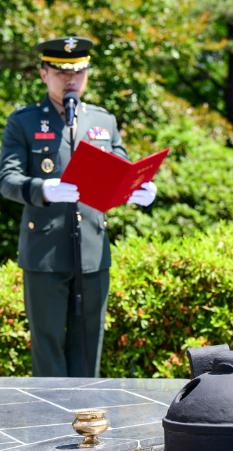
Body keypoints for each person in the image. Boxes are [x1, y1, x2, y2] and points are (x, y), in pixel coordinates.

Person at [0, 36, 157, 377]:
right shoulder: (23, 121)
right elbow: (7, 180)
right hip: (44, 250)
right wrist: (43, 189)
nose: (71, 80)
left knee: (89, 345)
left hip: (91, 248)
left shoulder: (103, 120)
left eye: (79, 72)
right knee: (48, 345)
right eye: (61, 72)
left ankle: (87, 423)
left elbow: (123, 168)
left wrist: (141, 189)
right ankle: (52, 423)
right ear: (44, 74)